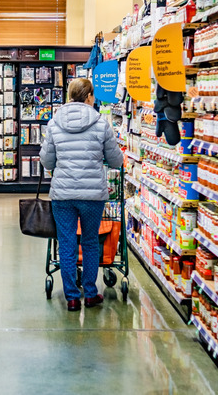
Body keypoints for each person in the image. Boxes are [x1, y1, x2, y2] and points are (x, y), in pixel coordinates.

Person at [39, 78, 124, 312]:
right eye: (93, 95)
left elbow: (46, 160)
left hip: (63, 196)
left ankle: (72, 297)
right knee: (89, 242)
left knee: (66, 243)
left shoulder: (54, 123)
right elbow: (116, 160)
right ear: (88, 97)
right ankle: (91, 292)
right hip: (92, 195)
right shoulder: (101, 123)